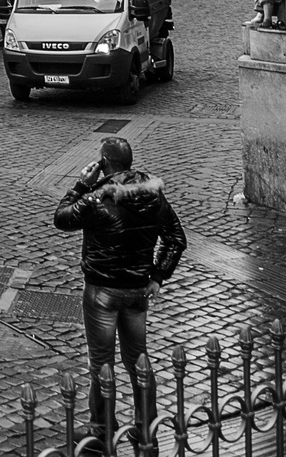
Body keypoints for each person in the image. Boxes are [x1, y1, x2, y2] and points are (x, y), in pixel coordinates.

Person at [53, 137, 187, 436]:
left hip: (102, 290)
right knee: (138, 357)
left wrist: (81, 185)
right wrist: (156, 276)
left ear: (103, 163)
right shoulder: (153, 195)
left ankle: (102, 428)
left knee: (102, 361)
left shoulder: (97, 197)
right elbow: (176, 239)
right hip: (138, 289)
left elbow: (61, 218)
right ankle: (146, 425)